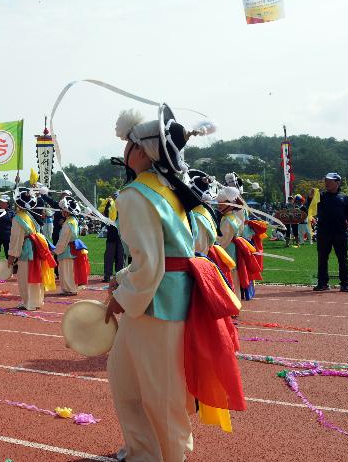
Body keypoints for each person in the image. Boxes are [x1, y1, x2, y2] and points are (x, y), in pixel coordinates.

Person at [105, 106, 244, 462]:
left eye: (129, 144)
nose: (125, 150)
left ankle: (168, 455)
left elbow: (150, 265)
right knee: (128, 381)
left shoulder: (136, 195)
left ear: (139, 150)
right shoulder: (169, 190)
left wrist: (121, 294)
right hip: (164, 299)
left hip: (158, 303)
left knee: (159, 392)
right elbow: (194, 242)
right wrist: (124, 283)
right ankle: (145, 451)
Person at [6, 187, 57, 310]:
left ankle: (28, 302)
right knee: (36, 275)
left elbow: (16, 239)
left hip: (27, 249)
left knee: (25, 276)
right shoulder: (30, 215)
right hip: (36, 247)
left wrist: (11, 256)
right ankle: (37, 301)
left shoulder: (18, 218)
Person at [216, 186, 262, 302]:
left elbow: (222, 242)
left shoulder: (228, 220)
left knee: (230, 278)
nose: (218, 205)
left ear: (230, 203)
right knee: (234, 278)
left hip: (228, 252)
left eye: (221, 202)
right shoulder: (231, 217)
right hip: (233, 250)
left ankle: (232, 305)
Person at [314, 172, 348, 292]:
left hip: (340, 233)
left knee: (343, 258)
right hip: (323, 232)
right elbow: (310, 206)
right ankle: (322, 283)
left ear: (337, 182)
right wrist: (310, 196)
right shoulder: (320, 196)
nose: (326, 183)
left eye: (330, 181)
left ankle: (345, 284)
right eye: (326, 180)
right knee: (322, 258)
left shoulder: (344, 198)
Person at [53, 195, 89, 295]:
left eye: (63, 210)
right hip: (71, 248)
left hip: (67, 249)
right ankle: (69, 289)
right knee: (69, 270)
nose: (62, 212)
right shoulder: (73, 220)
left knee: (66, 270)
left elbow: (63, 239)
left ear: (66, 211)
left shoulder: (68, 223)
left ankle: (70, 289)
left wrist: (56, 251)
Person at [102, 193, 124, 283]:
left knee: (120, 258)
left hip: (121, 238)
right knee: (109, 258)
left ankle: (120, 277)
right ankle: (107, 275)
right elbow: (106, 213)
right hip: (111, 237)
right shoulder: (110, 206)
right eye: (115, 197)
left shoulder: (123, 207)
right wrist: (108, 202)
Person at [0, 194, 14, 267]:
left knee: (8, 253)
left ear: (8, 203)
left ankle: (10, 269)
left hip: (7, 236)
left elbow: (15, 224)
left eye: (3, 202)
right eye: (0, 202)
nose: (1, 204)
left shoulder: (11, 212)